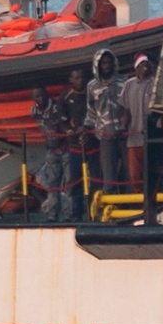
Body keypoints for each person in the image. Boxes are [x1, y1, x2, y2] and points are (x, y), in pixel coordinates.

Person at [59, 67, 97, 221]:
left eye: (82, 77)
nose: (80, 81)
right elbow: (61, 120)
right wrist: (69, 130)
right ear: (71, 80)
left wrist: (88, 130)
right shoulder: (65, 97)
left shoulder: (92, 94)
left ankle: (94, 213)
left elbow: (98, 115)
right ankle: (76, 214)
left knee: (96, 181)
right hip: (75, 146)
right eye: (77, 78)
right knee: (74, 182)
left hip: (93, 144)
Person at [86, 48, 125, 194]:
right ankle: (111, 202)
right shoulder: (92, 86)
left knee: (128, 172)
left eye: (109, 62)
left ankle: (130, 203)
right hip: (105, 135)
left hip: (124, 132)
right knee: (109, 174)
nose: (106, 66)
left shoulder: (124, 81)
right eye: (103, 63)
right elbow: (90, 110)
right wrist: (89, 129)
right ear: (98, 65)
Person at [30, 87, 72, 222]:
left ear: (47, 94)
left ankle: (70, 215)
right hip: (51, 149)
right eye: (37, 96)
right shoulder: (34, 111)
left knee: (70, 183)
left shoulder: (57, 108)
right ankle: (53, 215)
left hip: (66, 148)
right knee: (53, 184)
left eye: (42, 95)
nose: (40, 99)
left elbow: (64, 124)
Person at [119, 54, 156, 193]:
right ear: (136, 67)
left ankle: (152, 200)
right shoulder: (129, 84)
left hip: (151, 137)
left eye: (147, 63)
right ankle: (139, 202)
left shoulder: (154, 83)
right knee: (135, 175)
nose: (145, 66)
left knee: (151, 172)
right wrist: (123, 127)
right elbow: (126, 110)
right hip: (134, 138)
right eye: (142, 64)